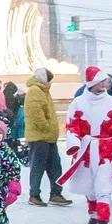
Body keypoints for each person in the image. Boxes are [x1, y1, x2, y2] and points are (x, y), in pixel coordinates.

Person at [60, 66, 112, 224]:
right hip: (86, 149)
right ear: (92, 83)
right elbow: (72, 126)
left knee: (104, 183)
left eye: (105, 81)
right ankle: (93, 211)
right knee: (88, 183)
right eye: (100, 81)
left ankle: (104, 218)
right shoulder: (78, 103)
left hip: (106, 149)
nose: (104, 84)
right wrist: (74, 142)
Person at [24, 68, 70, 206]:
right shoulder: (35, 90)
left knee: (55, 166)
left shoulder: (43, 90)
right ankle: (34, 195)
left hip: (48, 137)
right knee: (38, 167)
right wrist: (46, 127)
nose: (51, 83)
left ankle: (56, 193)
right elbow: (35, 113)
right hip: (39, 137)